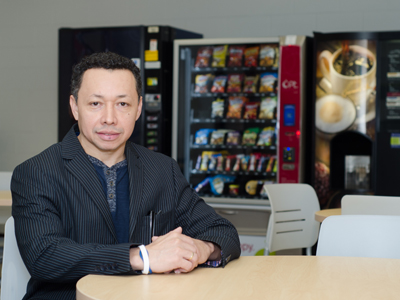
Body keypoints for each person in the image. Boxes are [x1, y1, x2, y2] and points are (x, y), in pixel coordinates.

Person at [11, 52, 241, 300]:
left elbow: (222, 231)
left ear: (139, 108)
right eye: (95, 103)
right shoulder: (36, 172)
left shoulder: (163, 169)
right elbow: (44, 255)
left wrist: (199, 248)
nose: (109, 118)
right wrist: (143, 256)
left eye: (122, 104)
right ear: (75, 107)